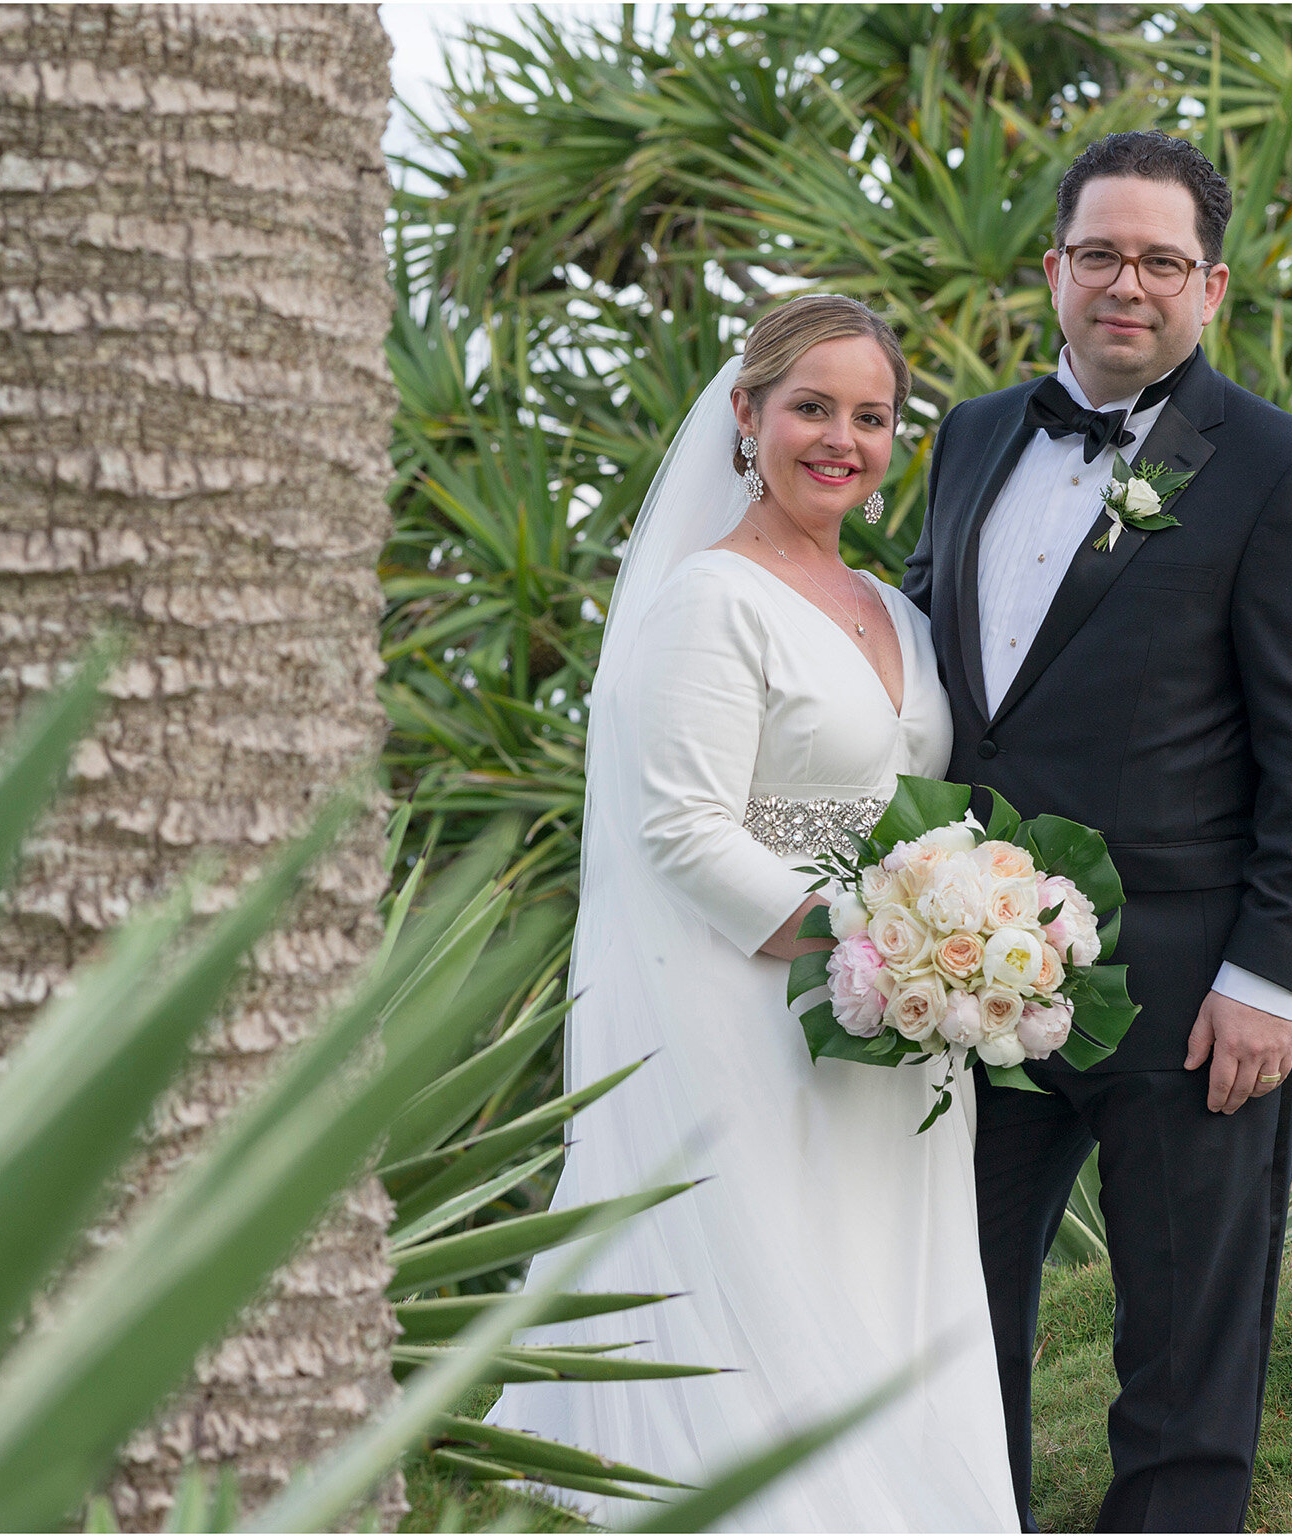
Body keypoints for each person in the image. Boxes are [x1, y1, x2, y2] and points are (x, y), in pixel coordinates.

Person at [901, 131, 1292, 1533]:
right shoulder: (972, 437)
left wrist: (1270, 983)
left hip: (1195, 1001)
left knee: (1182, 1373)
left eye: (1162, 260)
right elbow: (935, 691)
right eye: (1102, 254)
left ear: (1210, 286)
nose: (1130, 283)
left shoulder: (1285, 477)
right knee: (943, 1335)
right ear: (1053, 269)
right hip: (967, 983)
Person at [485, 295, 1019, 1532]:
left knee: (882, 1289)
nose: (842, 438)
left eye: (871, 416)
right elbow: (678, 830)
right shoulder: (706, 601)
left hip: (894, 1031)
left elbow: (922, 808)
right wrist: (872, 948)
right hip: (748, 1007)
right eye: (811, 408)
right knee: (761, 1282)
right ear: (746, 414)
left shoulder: (896, 611)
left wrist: (959, 939)